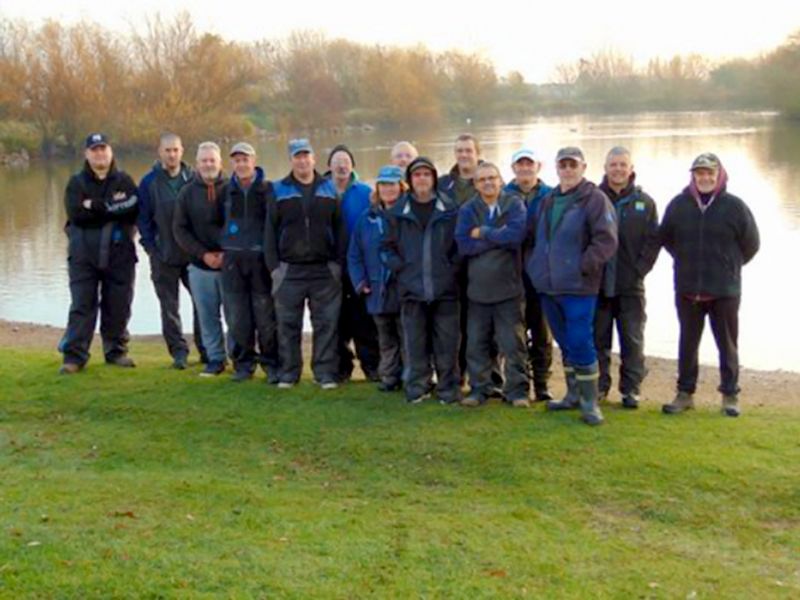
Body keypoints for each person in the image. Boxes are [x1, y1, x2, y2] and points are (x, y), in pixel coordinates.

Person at [660, 152, 760, 417]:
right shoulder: (678, 205)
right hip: (687, 288)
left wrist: (729, 266)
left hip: (725, 290)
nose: (704, 177)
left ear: (719, 175)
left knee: (727, 344)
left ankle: (730, 394)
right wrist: (687, 261)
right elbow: (667, 239)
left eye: (709, 173)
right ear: (693, 176)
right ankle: (685, 393)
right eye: (699, 173)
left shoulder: (735, 207)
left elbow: (751, 245)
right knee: (687, 343)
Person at [526, 147, 618, 425]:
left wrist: (581, 266)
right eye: (563, 165)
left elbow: (606, 241)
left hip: (579, 287)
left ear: (583, 167)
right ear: (556, 168)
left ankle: (590, 403)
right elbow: (531, 237)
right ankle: (572, 394)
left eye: (572, 165)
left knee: (580, 341)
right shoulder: (547, 200)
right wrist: (535, 268)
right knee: (565, 343)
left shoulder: (595, 200)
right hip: (549, 287)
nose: (567, 169)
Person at [264, 139, 345, 389]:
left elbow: (339, 230)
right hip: (290, 270)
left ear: (313, 158)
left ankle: (325, 373)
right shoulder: (278, 189)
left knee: (326, 325)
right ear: (291, 160)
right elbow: (269, 232)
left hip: (324, 270)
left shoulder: (330, 189)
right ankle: (289, 373)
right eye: (297, 156)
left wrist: (337, 265)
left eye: (306, 156)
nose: (302, 161)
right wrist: (275, 269)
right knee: (288, 325)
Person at [383, 156, 462, 404]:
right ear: (410, 180)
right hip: (412, 291)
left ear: (434, 178)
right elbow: (386, 248)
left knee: (447, 345)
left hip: (445, 290)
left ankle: (448, 390)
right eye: (417, 175)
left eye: (427, 174)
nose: (422, 179)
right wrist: (402, 269)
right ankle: (418, 387)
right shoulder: (398, 212)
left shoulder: (450, 209)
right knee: (415, 345)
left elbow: (460, 245)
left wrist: (451, 269)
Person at [58, 133, 139, 374]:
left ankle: (116, 352)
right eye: (94, 150)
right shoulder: (76, 183)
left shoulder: (124, 180)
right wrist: (112, 208)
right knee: (82, 305)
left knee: (119, 305)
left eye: (103, 148)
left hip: (120, 256)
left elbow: (131, 207)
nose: (99, 153)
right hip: (83, 257)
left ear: (110, 151)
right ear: (87, 154)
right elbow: (76, 215)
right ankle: (74, 357)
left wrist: (94, 205)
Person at [455, 162, 529, 407]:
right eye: (482, 179)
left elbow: (516, 236)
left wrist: (484, 232)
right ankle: (479, 389)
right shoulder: (467, 210)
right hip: (477, 291)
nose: (487, 183)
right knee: (476, 344)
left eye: (492, 178)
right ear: (475, 184)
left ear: (500, 180)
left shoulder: (514, 204)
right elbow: (464, 245)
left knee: (513, 344)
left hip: (509, 289)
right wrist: (499, 237)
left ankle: (517, 391)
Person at [594, 146, 660, 409]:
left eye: (623, 165)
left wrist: (640, 270)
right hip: (598, 284)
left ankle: (631, 390)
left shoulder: (645, 202)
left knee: (632, 339)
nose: (618, 169)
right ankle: (599, 387)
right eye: (613, 165)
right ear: (605, 168)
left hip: (631, 285)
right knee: (599, 339)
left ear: (631, 169)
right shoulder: (593, 198)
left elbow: (654, 241)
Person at [137, 132, 204, 369]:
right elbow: (142, 220)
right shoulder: (148, 182)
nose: (172, 154)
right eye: (168, 150)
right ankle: (179, 353)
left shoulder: (194, 178)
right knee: (169, 307)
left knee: (202, 303)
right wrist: (151, 249)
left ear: (182, 151)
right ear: (160, 152)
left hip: (193, 255)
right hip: (163, 255)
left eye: (175, 150)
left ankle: (206, 350)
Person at [220, 142, 279, 382]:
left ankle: (272, 364)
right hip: (233, 264)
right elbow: (214, 223)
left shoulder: (268, 190)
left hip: (261, 264)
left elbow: (276, 226)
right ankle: (243, 365)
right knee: (238, 319)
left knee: (266, 319)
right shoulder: (225, 191)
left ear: (254, 161)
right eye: (236, 160)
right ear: (232, 163)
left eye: (245, 159)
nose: (241, 164)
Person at [173, 142, 230, 377]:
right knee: (207, 316)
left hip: (230, 265)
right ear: (197, 164)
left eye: (212, 160)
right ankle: (215, 359)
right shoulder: (186, 193)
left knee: (236, 316)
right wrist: (203, 255)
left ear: (220, 163)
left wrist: (227, 252)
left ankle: (242, 359)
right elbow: (180, 230)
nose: (208, 164)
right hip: (200, 266)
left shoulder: (232, 189)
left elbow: (241, 225)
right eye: (204, 161)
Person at [347, 165, 406, 392]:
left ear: (401, 187)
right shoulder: (368, 218)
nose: (388, 189)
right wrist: (360, 283)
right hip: (377, 291)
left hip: (403, 289)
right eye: (384, 184)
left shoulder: (408, 215)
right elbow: (354, 254)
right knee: (386, 338)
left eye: (392, 184)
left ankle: (413, 378)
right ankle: (390, 378)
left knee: (408, 337)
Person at [327, 144, 380, 382]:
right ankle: (342, 368)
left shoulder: (366, 193)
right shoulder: (321, 190)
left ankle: (372, 366)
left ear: (353, 165)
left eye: (346, 161)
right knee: (336, 320)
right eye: (336, 161)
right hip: (329, 266)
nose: (341, 165)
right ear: (329, 166)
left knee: (364, 320)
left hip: (359, 266)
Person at [506, 148, 554, 401]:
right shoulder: (503, 195)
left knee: (542, 333)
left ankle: (543, 384)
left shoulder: (551, 196)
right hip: (512, 274)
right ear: (514, 168)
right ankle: (518, 384)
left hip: (541, 275)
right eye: (520, 164)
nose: (525, 168)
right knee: (514, 333)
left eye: (529, 164)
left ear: (538, 167)